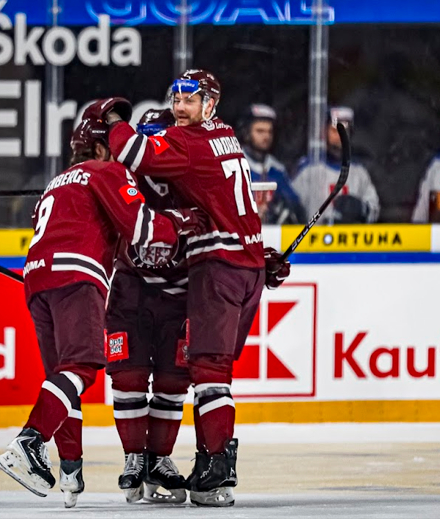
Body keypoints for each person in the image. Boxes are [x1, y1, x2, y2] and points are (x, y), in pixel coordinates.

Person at [0, 99, 204, 508]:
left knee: (63, 376)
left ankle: (69, 468)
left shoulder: (58, 182)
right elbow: (143, 229)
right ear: (101, 145)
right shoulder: (106, 171)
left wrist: (71, 465)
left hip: (37, 281)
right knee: (83, 364)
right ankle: (30, 441)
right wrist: (183, 222)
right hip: (76, 278)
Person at [106, 69, 289, 507]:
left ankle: (215, 469)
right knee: (199, 369)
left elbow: (131, 149)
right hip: (242, 263)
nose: (179, 108)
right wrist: (261, 256)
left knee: (205, 369)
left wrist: (110, 118)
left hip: (219, 268)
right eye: (176, 100)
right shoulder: (226, 137)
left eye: (189, 100)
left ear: (210, 104)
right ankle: (191, 461)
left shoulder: (187, 144)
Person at [105, 108, 192, 505]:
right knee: (128, 377)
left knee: (175, 382)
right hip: (130, 294)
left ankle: (159, 459)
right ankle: (134, 458)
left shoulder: (195, 180)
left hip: (179, 297)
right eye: (150, 139)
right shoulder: (119, 180)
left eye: (162, 139)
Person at [293, 107, 380, 224]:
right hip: (314, 239)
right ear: (325, 133)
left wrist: (362, 209)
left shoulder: (359, 172)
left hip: (350, 240)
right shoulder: (308, 169)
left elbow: (374, 209)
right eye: (335, 131)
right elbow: (293, 209)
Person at [238, 103, 305, 224]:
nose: (266, 136)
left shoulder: (277, 170)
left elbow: (295, 205)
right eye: (260, 131)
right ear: (246, 133)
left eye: (269, 132)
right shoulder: (233, 164)